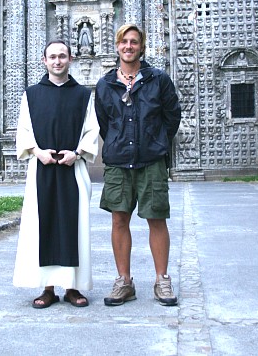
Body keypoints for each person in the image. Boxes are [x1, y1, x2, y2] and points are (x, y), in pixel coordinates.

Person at [95, 24, 181, 307]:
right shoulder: (106, 85)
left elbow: (172, 117)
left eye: (134, 42)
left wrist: (155, 142)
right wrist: (119, 143)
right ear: (117, 46)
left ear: (141, 47)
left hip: (151, 160)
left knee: (156, 217)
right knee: (119, 219)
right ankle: (124, 281)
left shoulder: (158, 80)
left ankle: (162, 280)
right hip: (119, 162)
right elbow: (104, 123)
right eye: (124, 42)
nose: (128, 46)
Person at [13, 40, 99, 309]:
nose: (58, 61)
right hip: (42, 170)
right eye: (53, 57)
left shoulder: (83, 95)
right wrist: (37, 151)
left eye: (62, 56)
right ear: (44, 61)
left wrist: (79, 152)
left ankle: (73, 287)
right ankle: (47, 288)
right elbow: (24, 131)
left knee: (74, 226)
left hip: (73, 170)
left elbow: (91, 130)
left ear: (70, 59)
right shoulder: (32, 94)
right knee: (43, 226)